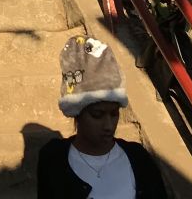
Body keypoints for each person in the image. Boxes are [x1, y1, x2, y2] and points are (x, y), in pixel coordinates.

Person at [37, 35, 168, 198]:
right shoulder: (53, 159)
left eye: (114, 114)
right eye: (97, 115)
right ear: (78, 113)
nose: (108, 125)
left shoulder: (138, 157)